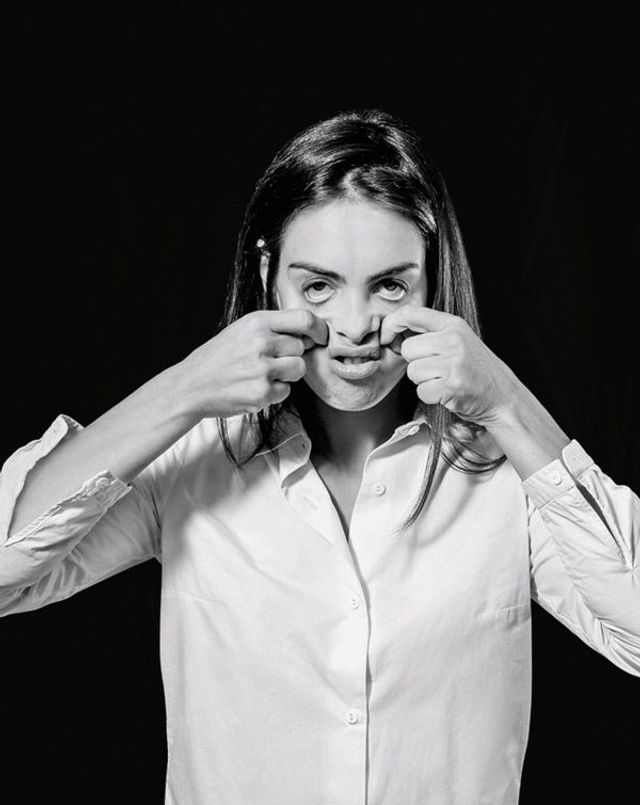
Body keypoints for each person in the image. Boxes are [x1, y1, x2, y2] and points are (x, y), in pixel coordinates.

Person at [0, 108, 638, 805]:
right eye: (318, 286)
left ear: (432, 284)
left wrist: (508, 404)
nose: (356, 327)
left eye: (390, 285)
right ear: (268, 274)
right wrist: (183, 388)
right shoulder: (193, 458)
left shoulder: (506, 477)